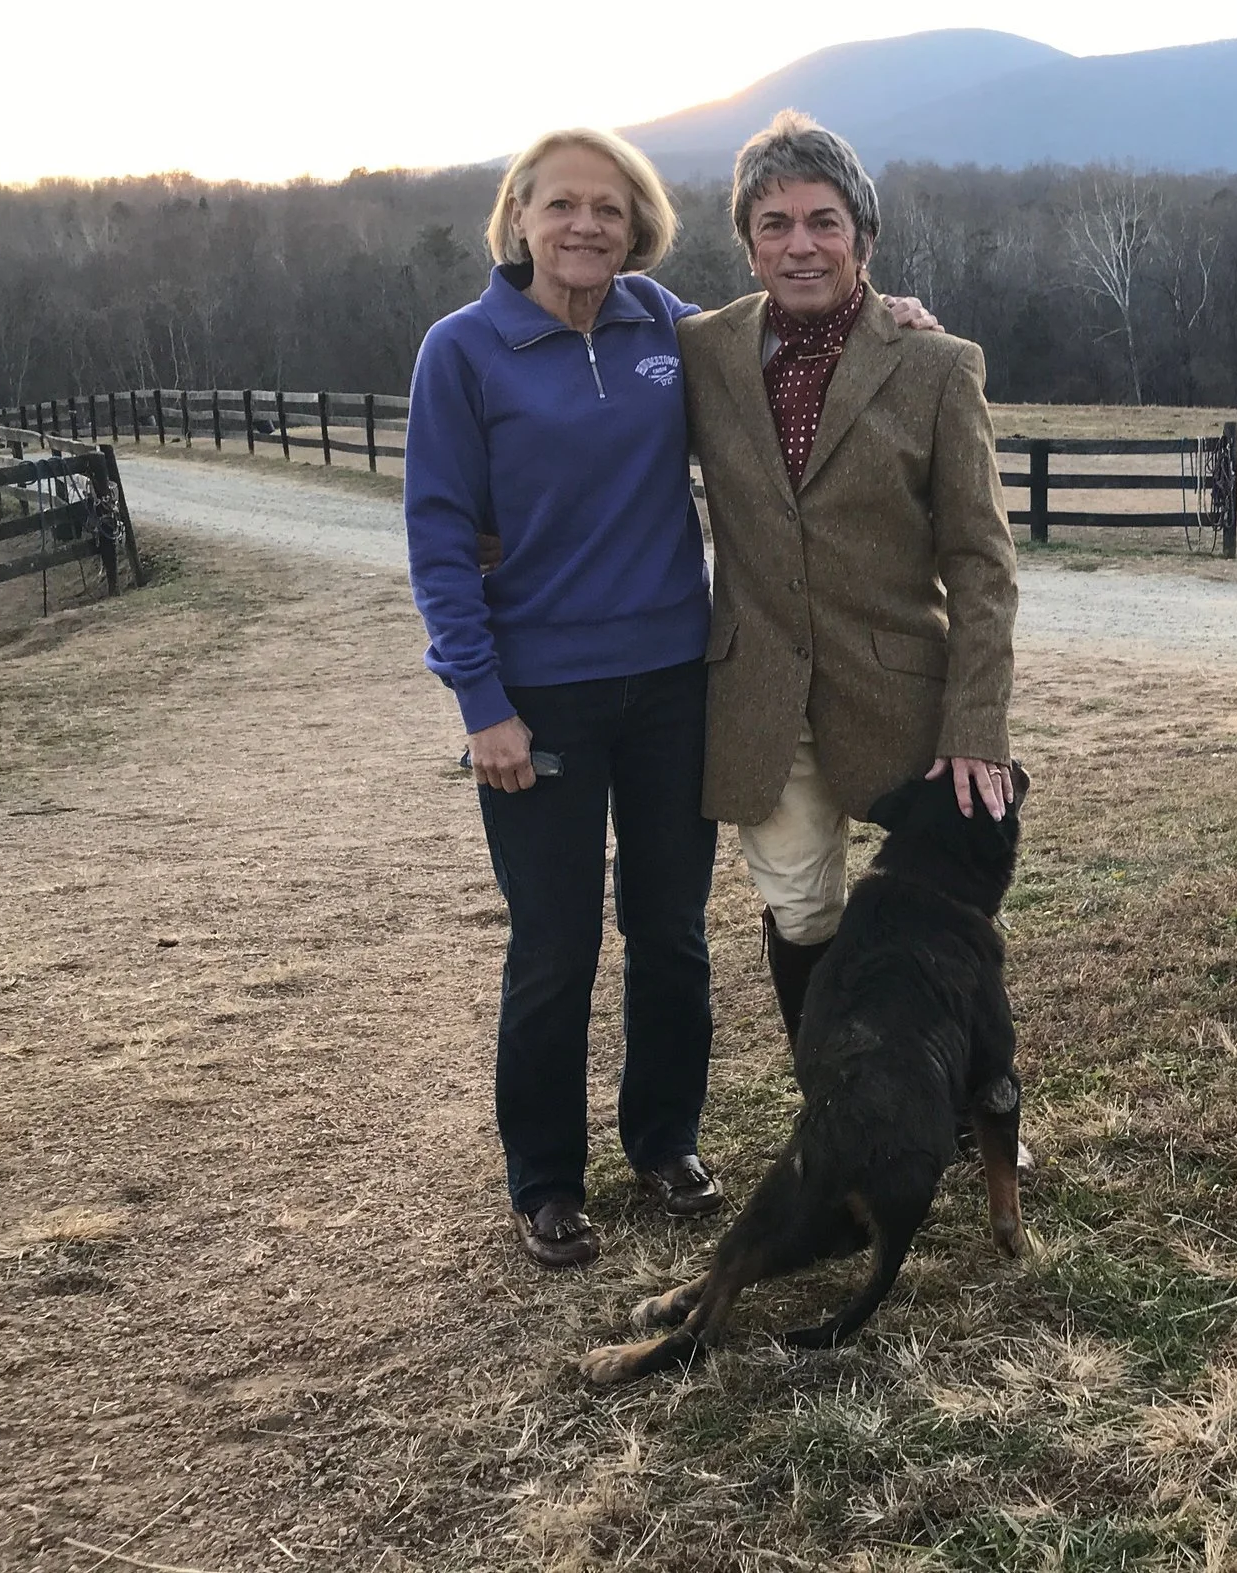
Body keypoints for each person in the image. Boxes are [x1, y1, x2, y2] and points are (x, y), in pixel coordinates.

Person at [403, 128, 941, 1270]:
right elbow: (440, 537)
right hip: (537, 700)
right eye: (562, 206)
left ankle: (663, 1142)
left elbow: (801, 332)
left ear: (638, 221)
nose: (586, 225)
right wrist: (479, 701)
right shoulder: (463, 352)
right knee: (553, 948)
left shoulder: (667, 330)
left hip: (672, 684)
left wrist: (898, 325)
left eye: (609, 206)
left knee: (670, 935)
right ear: (519, 216)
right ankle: (545, 1180)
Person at [676, 111, 1018, 1058]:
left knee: (946, 917)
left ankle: (966, 1100)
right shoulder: (699, 353)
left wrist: (977, 722)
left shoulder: (937, 365)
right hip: (759, 697)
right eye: (776, 223)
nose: (801, 243)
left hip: (901, 693)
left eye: (824, 221)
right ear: (747, 243)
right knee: (801, 913)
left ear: (863, 237)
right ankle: (836, 1105)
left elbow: (982, 564)